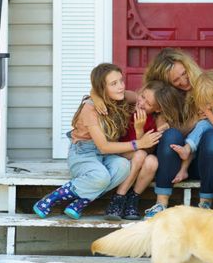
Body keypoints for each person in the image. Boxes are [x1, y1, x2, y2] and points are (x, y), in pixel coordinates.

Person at [33, 63, 161, 220]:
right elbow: (104, 147)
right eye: (113, 84)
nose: (121, 86)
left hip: (105, 156)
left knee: (123, 167)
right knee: (101, 177)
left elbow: (148, 102)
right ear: (102, 88)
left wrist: (163, 123)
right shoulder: (90, 109)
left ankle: (80, 202)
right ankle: (51, 199)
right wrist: (139, 144)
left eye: (121, 81)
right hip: (84, 153)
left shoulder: (121, 97)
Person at [142, 48, 213, 217]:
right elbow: (163, 130)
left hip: (204, 161)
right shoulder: (164, 99)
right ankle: (160, 204)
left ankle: (205, 204)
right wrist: (194, 121)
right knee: (171, 135)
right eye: (176, 80)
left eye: (184, 73)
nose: (183, 80)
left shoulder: (207, 85)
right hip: (173, 164)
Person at [103, 80, 182, 221]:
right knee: (140, 154)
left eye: (148, 103)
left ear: (157, 109)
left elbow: (147, 148)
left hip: (140, 156)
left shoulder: (155, 120)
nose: (142, 103)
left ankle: (133, 199)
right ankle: (118, 197)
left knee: (152, 161)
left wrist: (139, 129)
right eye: (143, 96)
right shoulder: (126, 106)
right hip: (119, 153)